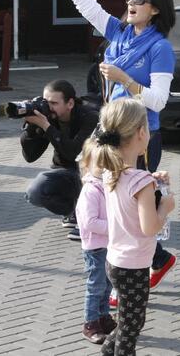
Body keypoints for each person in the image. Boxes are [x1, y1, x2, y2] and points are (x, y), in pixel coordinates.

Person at [44, 0, 178, 288]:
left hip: (140, 137)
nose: (130, 2)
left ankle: (130, 277)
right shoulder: (118, 31)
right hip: (110, 131)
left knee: (128, 210)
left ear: (155, 9)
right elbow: (82, 1)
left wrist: (125, 79)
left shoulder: (160, 48)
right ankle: (148, 264)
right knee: (115, 207)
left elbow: (159, 101)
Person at [86, 98, 176, 356]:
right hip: (135, 265)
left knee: (127, 321)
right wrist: (164, 207)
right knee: (132, 325)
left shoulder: (112, 171)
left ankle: (107, 353)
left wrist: (152, 182)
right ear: (141, 133)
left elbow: (130, 195)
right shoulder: (139, 180)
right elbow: (150, 228)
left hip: (115, 261)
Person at [23, 80, 99, 240]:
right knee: (35, 193)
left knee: (84, 179)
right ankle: (73, 211)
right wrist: (31, 128)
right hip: (64, 171)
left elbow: (73, 153)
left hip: (91, 174)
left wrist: (47, 127)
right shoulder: (50, 117)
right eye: (45, 101)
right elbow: (30, 156)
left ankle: (87, 218)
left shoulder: (89, 117)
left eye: (53, 103)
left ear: (70, 103)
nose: (48, 107)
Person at [75, 140, 115, 344]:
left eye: (108, 163)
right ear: (87, 164)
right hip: (96, 247)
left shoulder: (107, 185)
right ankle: (90, 323)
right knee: (96, 285)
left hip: (109, 245)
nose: (105, 168)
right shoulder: (90, 190)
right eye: (100, 164)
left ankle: (103, 316)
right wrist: (115, 226)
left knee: (107, 285)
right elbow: (90, 222)